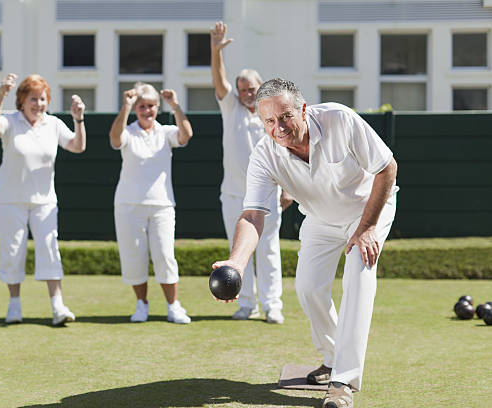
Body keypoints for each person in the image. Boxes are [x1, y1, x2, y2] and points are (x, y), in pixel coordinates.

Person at [212, 78, 398, 408]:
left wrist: (367, 228)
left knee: (359, 274)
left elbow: (386, 168)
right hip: (320, 218)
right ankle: (331, 357)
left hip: (368, 209)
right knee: (308, 288)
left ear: (303, 109)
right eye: (269, 121)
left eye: (285, 116)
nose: (278, 127)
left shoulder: (339, 119)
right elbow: (253, 215)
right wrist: (236, 264)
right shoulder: (264, 155)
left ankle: (343, 381)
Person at [0, 73, 87, 326]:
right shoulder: (10, 121)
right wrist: (1, 94)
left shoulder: (52, 124)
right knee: (12, 252)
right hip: (10, 200)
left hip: (44, 201)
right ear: (22, 100)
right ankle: (14, 307)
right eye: (33, 99)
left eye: (42, 99)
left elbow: (77, 146)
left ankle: (57, 307)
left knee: (50, 249)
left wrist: (78, 119)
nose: (38, 104)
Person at [210, 21, 292, 324]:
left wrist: (288, 189)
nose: (246, 93)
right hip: (233, 194)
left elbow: (286, 153)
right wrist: (215, 50)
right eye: (242, 88)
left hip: (267, 196)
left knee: (269, 251)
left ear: (261, 90)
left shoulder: (270, 114)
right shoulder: (230, 107)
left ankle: (273, 306)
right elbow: (219, 79)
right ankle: (246, 304)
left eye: (252, 89)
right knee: (237, 252)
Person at [109, 82, 193, 324]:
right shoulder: (128, 131)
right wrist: (125, 106)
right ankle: (141, 305)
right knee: (133, 257)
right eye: (142, 106)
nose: (147, 110)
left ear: (158, 107)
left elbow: (186, 134)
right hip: (128, 205)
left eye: (151, 106)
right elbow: (115, 138)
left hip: (162, 205)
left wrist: (175, 105)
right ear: (136, 108)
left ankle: (173, 306)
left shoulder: (165, 132)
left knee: (165, 255)